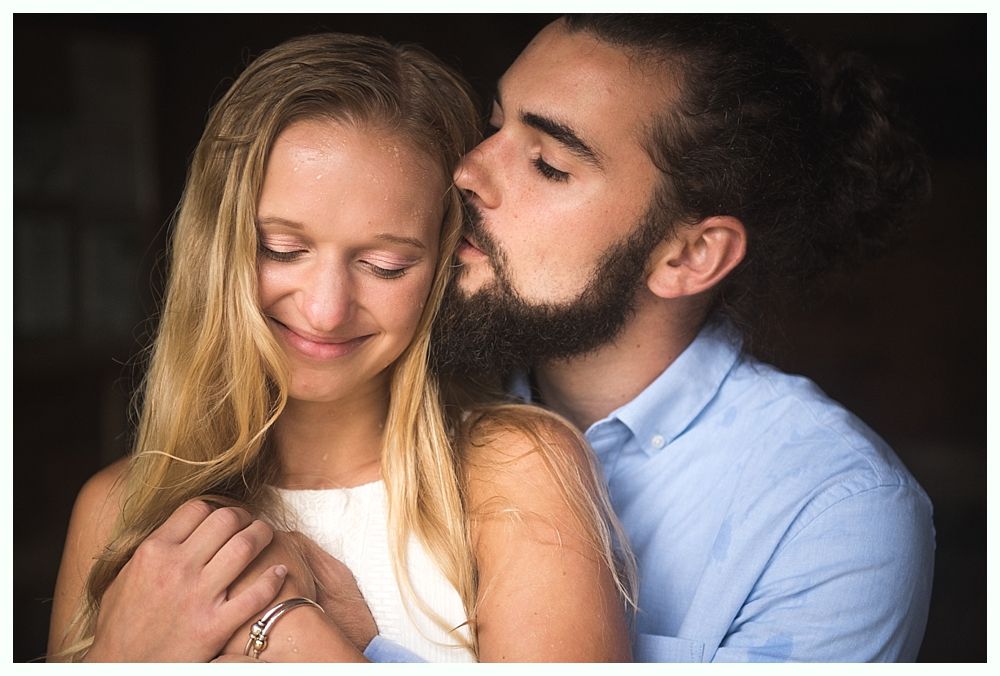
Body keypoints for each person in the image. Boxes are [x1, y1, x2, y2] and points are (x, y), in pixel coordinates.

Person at [47, 32, 634, 663]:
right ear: (213, 249)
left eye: (386, 264)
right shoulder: (116, 510)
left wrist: (297, 639)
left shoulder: (517, 472)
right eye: (282, 250)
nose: (326, 311)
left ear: (442, 264)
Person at [426, 14, 936, 662]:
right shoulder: (412, 383)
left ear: (688, 255)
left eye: (549, 164)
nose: (469, 171)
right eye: (495, 124)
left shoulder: (837, 511)